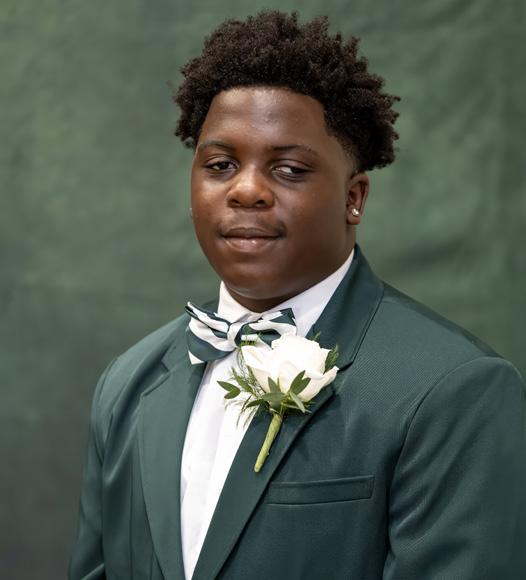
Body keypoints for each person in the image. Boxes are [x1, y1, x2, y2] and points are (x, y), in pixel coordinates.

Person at [69, 10, 526, 580]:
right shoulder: (128, 385)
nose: (246, 190)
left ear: (354, 198)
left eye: (287, 169)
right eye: (220, 164)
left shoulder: (455, 391)